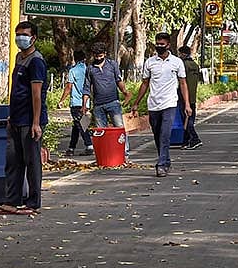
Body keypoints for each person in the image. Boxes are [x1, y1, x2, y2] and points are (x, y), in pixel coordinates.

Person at [0, 21, 48, 215]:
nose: (20, 38)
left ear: (33, 38)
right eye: (18, 34)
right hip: (16, 118)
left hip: (30, 120)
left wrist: (35, 122)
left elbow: (36, 94)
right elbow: (17, 90)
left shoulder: (36, 61)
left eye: (24, 34)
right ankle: (11, 201)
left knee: (31, 162)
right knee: (13, 161)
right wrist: (11, 115)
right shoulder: (19, 58)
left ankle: (33, 203)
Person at [129, 33, 190, 177]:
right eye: (158, 44)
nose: (159, 46)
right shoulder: (150, 62)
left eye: (162, 44)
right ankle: (166, 160)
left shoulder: (176, 62)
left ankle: (161, 164)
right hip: (153, 104)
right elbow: (145, 83)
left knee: (165, 134)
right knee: (157, 135)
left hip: (169, 103)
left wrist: (187, 104)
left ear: (168, 45)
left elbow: (183, 83)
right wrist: (136, 103)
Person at [82, 42, 132, 158]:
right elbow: (86, 88)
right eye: (96, 56)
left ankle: (124, 153)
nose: (98, 58)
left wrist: (125, 92)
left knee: (119, 127)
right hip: (98, 105)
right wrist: (84, 104)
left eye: (100, 55)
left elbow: (118, 80)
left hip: (113, 102)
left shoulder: (112, 65)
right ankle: (105, 154)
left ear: (104, 54)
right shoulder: (90, 69)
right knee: (101, 131)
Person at [58, 49, 92, 157]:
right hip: (86, 102)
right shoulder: (88, 70)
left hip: (76, 102)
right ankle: (71, 148)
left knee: (81, 125)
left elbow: (69, 87)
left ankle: (89, 145)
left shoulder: (73, 70)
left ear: (75, 58)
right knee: (77, 125)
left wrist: (62, 100)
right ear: (84, 58)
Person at [177, 45, 202, 149]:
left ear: (183, 54)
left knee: (186, 120)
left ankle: (195, 139)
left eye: (180, 54)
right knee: (189, 119)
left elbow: (181, 82)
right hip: (192, 96)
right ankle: (185, 141)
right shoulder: (195, 65)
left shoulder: (183, 65)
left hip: (184, 96)